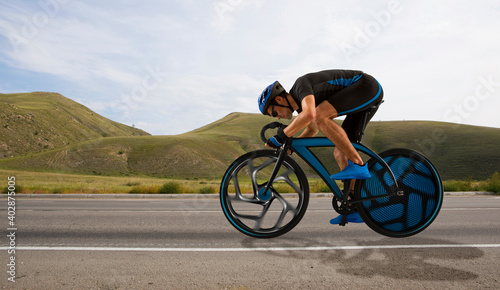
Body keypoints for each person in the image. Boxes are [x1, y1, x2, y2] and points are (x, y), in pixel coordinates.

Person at [258, 69, 383, 224]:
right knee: (340, 152)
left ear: (279, 99)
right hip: (362, 93)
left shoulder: (300, 86)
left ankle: (358, 164)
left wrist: (282, 135)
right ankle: (356, 206)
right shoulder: (301, 106)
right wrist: (291, 146)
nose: (277, 117)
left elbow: (311, 115)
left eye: (274, 112)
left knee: (320, 115)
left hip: (366, 86)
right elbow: (312, 129)